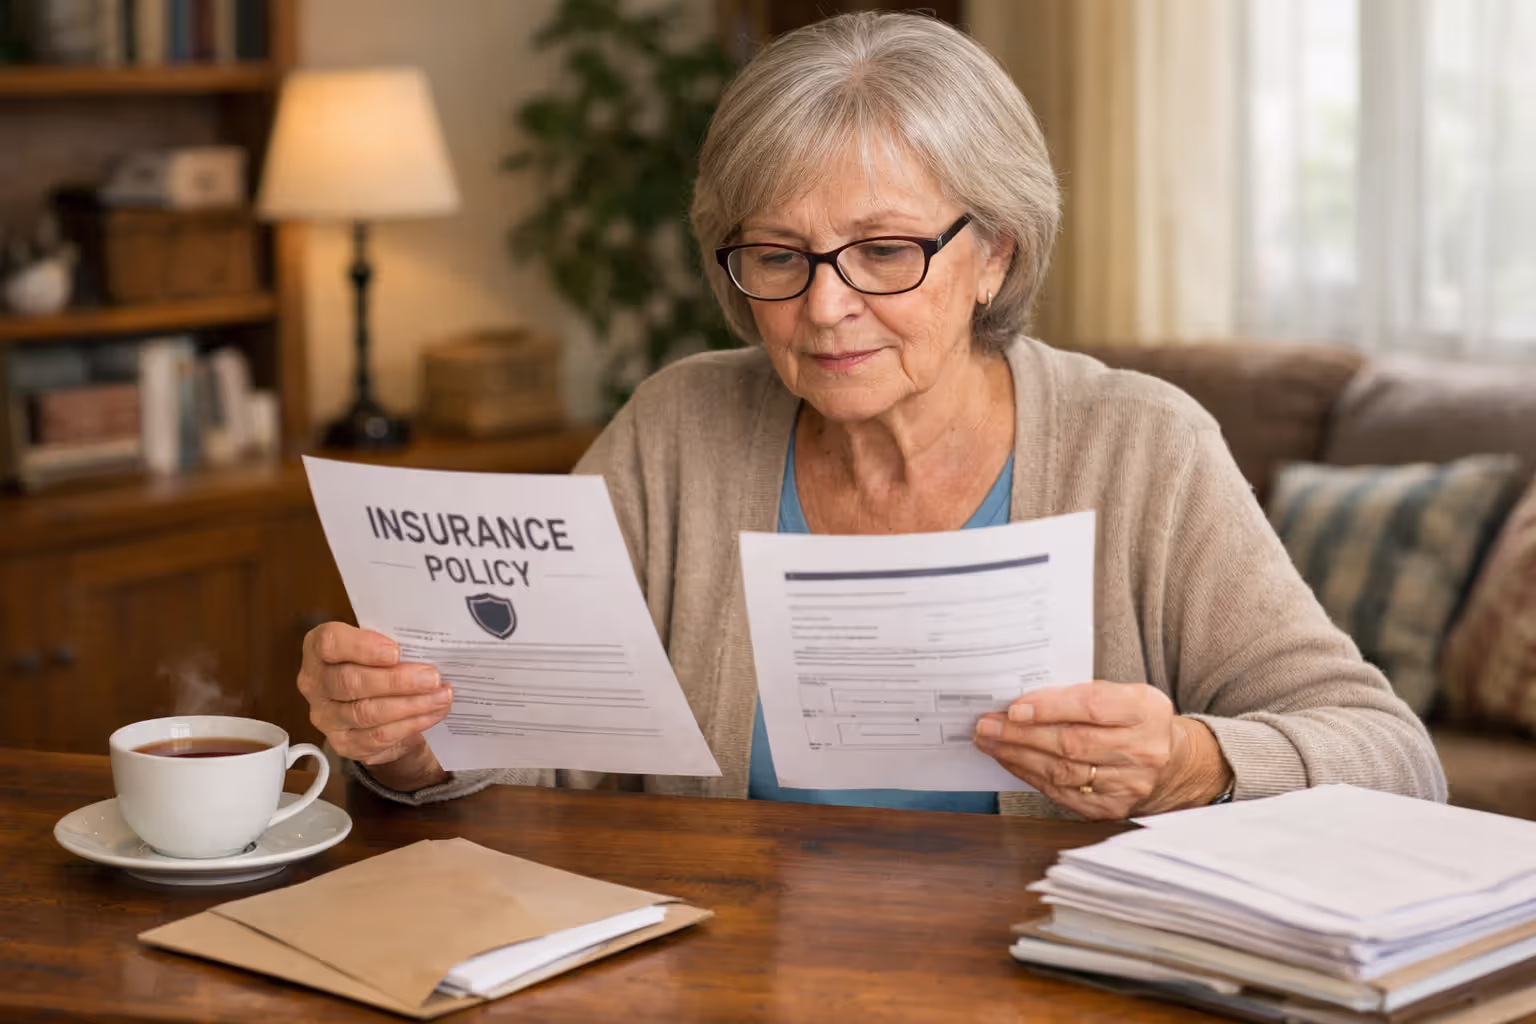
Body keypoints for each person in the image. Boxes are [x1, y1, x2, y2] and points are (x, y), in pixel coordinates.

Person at [295, 12, 1445, 820]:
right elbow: (529, 751)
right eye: (778, 255)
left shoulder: (1139, 445)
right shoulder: (676, 428)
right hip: (724, 972)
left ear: (993, 252)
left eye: (886, 250)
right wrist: (409, 746)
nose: (827, 306)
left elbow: (1395, 757)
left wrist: (1192, 762)